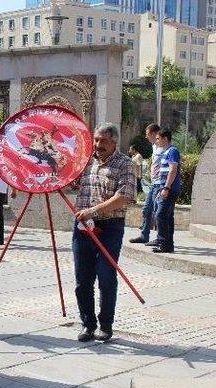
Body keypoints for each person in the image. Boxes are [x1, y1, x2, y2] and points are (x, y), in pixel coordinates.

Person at [72, 122, 136, 343]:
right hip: (83, 228)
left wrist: (93, 211)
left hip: (110, 227)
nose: (98, 145)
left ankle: (106, 325)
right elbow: (69, 183)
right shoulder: (85, 161)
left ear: (114, 142)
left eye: (103, 141)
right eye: (96, 140)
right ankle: (87, 324)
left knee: (106, 276)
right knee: (82, 279)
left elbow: (125, 196)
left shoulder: (124, 163)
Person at [129, 123, 163, 245]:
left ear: (154, 133)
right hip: (154, 183)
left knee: (160, 212)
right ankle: (144, 235)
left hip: (161, 184)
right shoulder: (154, 147)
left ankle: (161, 238)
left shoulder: (163, 146)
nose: (146, 137)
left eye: (147, 134)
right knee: (146, 209)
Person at [152, 129, 181, 253]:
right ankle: (168, 245)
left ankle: (163, 243)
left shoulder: (172, 151)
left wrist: (166, 188)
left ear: (165, 138)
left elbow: (173, 170)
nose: (156, 141)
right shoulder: (167, 152)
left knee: (161, 215)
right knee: (168, 217)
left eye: (158, 138)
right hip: (165, 188)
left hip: (170, 189)